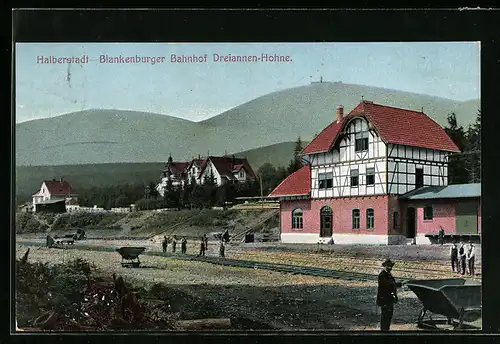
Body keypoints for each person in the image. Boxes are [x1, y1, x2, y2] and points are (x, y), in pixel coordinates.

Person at [377, 259, 403, 331]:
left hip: (389, 299)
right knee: (385, 316)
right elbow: (389, 285)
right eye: (388, 266)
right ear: (385, 266)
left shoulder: (389, 275)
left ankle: (386, 330)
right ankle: (384, 331)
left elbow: (392, 284)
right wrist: (398, 284)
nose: (390, 268)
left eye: (391, 266)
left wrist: (400, 284)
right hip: (384, 300)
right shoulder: (382, 275)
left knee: (389, 316)